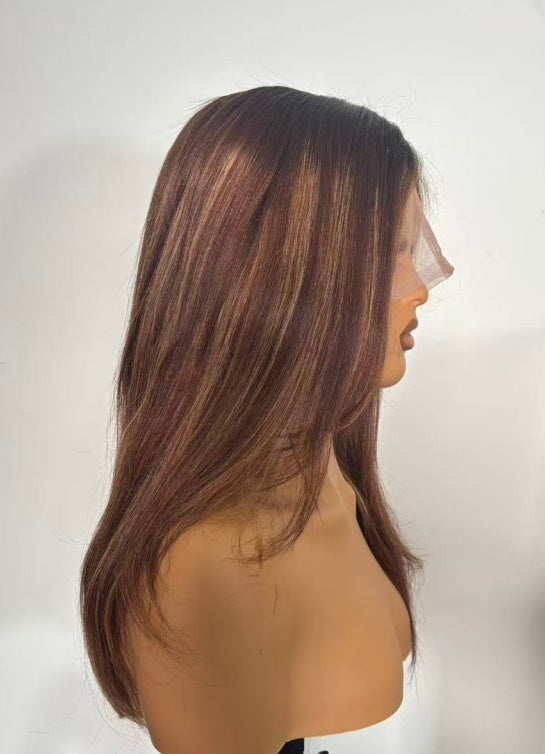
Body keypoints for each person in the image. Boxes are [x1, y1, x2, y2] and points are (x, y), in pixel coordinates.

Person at [79, 85, 454, 754]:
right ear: (285, 277)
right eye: (394, 251)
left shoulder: (329, 483)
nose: (421, 286)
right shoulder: (205, 566)